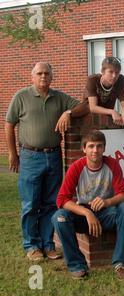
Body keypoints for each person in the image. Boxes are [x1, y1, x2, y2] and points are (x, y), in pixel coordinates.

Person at [5, 62, 88, 262]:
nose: (43, 77)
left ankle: (48, 244)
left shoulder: (59, 97)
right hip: (30, 156)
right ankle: (32, 245)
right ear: (32, 76)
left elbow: (84, 106)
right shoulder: (21, 97)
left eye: (47, 74)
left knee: (51, 203)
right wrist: (12, 153)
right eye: (39, 73)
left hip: (53, 155)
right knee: (31, 204)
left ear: (52, 77)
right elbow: (9, 124)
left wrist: (67, 112)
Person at [52, 130, 124, 279]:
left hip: (106, 212)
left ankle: (120, 263)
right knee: (59, 217)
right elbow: (62, 199)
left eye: (99, 146)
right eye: (91, 146)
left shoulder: (112, 164)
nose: (95, 150)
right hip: (83, 215)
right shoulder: (76, 167)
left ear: (104, 148)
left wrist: (107, 201)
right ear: (84, 149)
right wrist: (87, 212)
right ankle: (77, 265)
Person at [80, 57, 124, 125]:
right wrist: (112, 112)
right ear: (102, 71)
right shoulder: (92, 80)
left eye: (117, 72)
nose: (114, 75)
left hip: (106, 120)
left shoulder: (120, 80)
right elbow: (93, 107)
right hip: (88, 118)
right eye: (111, 72)